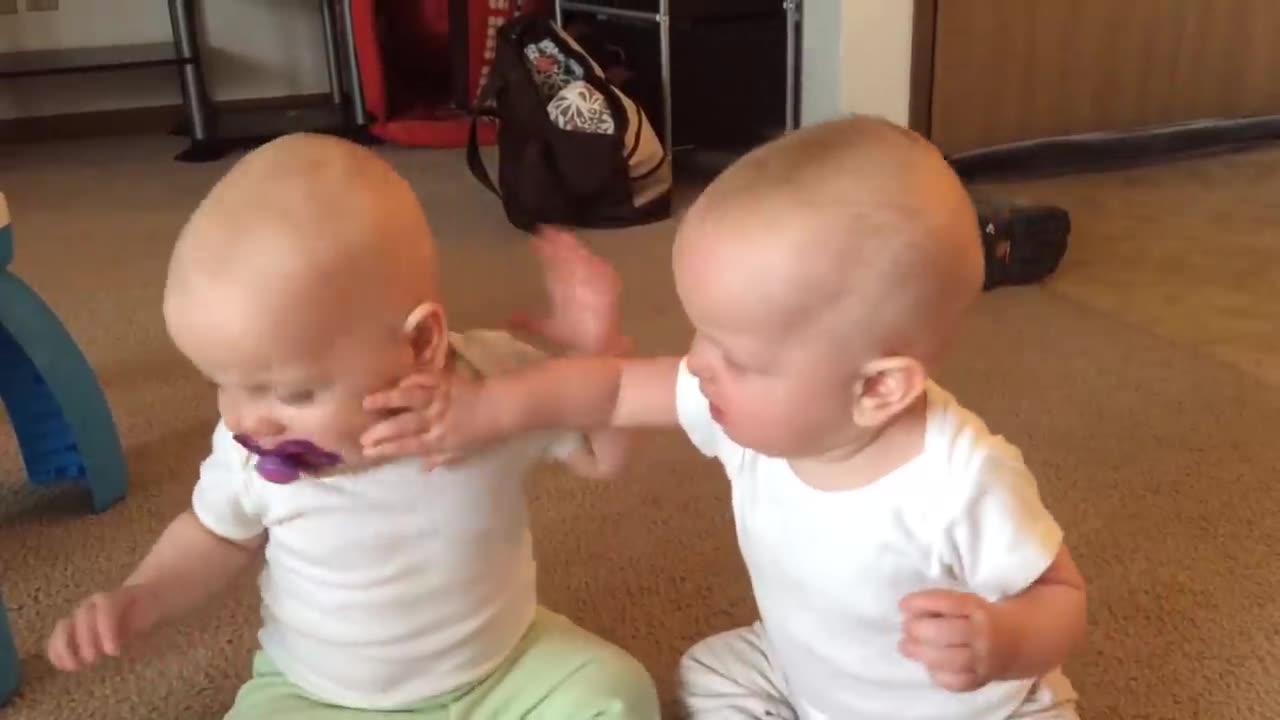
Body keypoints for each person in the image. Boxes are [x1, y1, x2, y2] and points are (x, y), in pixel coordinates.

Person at [361, 116, 1088, 719]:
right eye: (702, 332)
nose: (700, 363)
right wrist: (485, 408)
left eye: (738, 356)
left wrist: (1002, 639)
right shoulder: (755, 418)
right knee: (712, 672)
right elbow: (611, 391)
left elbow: (1060, 596)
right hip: (813, 678)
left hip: (967, 709)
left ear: (877, 390)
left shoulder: (959, 479)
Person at [44, 133, 659, 720]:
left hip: (502, 670)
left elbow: (601, 456)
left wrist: (599, 353)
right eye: (223, 384)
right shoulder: (249, 449)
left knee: (616, 693)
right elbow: (216, 535)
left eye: (293, 392)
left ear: (421, 343)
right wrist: (139, 596)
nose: (247, 417)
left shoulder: (493, 385)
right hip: (323, 696)